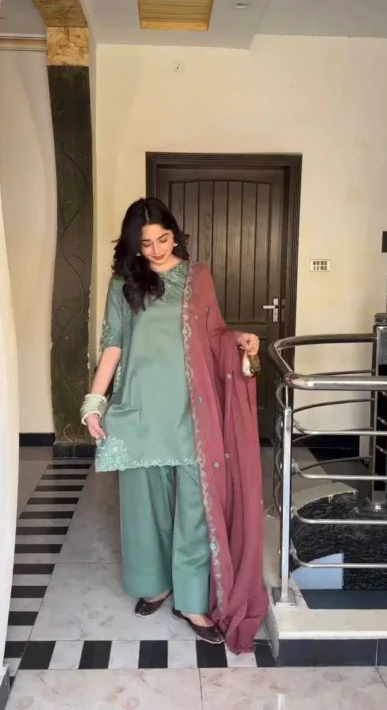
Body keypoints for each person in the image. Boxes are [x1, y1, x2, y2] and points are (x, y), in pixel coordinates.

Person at [81, 197, 268, 653]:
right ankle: (155, 585)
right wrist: (93, 402)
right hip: (139, 409)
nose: (157, 249)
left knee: (194, 509)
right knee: (143, 507)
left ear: (175, 234)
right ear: (134, 245)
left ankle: (191, 601)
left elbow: (215, 334)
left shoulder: (197, 277)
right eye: (146, 243)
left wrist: (239, 340)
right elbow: (112, 345)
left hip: (191, 411)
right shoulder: (123, 282)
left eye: (163, 239)